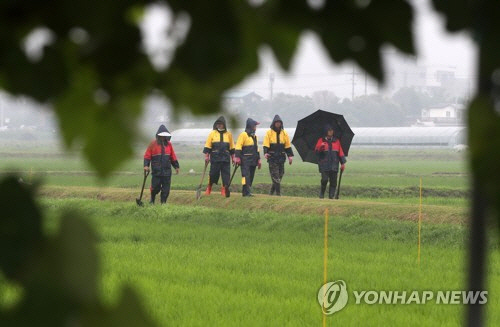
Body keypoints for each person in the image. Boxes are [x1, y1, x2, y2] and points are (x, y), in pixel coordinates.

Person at [143, 125, 180, 204]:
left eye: (165, 136)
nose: (163, 137)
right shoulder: (152, 144)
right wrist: (146, 165)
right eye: (162, 136)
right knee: (155, 187)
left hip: (167, 170)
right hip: (157, 170)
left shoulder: (169, 144)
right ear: (158, 135)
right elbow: (147, 155)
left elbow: (172, 156)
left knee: (166, 189)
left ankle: (163, 203)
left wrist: (176, 166)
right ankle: (152, 200)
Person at [203, 116, 235, 197]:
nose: (219, 125)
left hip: (226, 158)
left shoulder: (229, 134)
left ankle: (224, 189)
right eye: (218, 124)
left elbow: (232, 148)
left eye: (221, 124)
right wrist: (207, 156)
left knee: (226, 176)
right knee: (213, 174)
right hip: (215, 158)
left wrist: (233, 158)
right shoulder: (212, 134)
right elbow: (208, 146)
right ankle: (209, 187)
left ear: (224, 125)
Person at [262, 115, 294, 196]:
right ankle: (278, 194)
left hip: (281, 158)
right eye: (276, 123)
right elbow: (265, 144)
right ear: (274, 123)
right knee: (275, 176)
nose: (278, 124)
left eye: (279, 123)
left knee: (280, 175)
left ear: (281, 123)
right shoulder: (269, 133)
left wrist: (290, 156)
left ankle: (271, 193)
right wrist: (265, 153)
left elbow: (287, 146)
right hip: (272, 158)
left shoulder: (284, 133)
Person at [314, 125, 346, 199]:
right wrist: (320, 147)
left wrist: (343, 163)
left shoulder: (337, 141)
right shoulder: (320, 140)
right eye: (329, 130)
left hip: (334, 164)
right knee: (324, 179)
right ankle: (322, 194)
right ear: (326, 131)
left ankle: (331, 197)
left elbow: (340, 152)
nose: (331, 132)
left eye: (332, 130)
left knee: (333, 182)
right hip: (324, 164)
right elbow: (316, 152)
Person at [234, 118, 261, 197]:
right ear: (251, 126)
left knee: (251, 176)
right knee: (245, 176)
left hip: (253, 160)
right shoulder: (243, 135)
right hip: (245, 160)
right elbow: (238, 146)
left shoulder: (255, 136)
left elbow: (257, 149)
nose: (255, 128)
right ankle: (246, 192)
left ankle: (246, 191)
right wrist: (237, 158)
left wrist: (259, 159)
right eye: (255, 126)